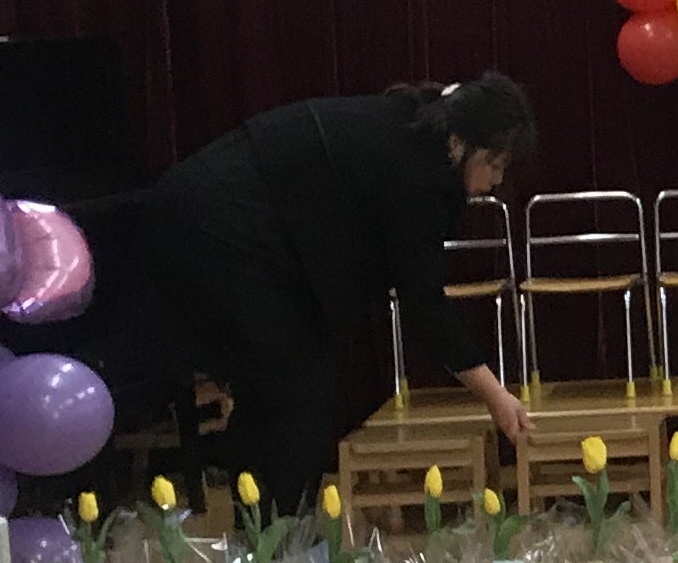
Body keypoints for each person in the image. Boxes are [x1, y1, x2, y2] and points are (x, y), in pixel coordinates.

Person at [83, 74, 535, 499]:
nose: (494, 182)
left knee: (294, 386)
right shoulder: (417, 171)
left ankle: (270, 523)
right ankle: (276, 532)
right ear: (461, 143)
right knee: (296, 387)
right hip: (216, 229)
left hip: (225, 222)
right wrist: (495, 396)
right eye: (493, 165)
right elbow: (425, 305)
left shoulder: (417, 129)